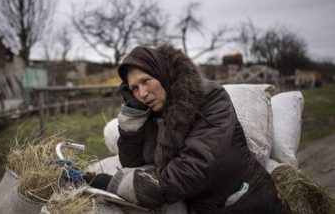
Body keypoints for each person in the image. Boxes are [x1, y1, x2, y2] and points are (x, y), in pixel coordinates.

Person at [112, 44, 292, 213]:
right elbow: (132, 163)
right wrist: (132, 118)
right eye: (134, 88)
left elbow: (193, 169)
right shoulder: (151, 113)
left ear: (161, 74)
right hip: (202, 207)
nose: (142, 93)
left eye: (146, 81)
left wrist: (126, 184)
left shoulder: (209, 99)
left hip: (246, 201)